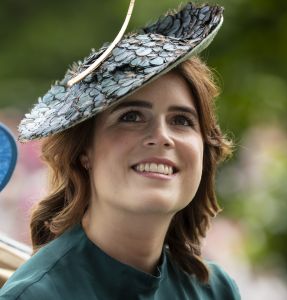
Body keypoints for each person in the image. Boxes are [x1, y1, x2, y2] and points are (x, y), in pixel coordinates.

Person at [0, 2, 240, 299]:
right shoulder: (36, 295)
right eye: (131, 117)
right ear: (84, 150)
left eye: (181, 120)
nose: (162, 137)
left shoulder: (215, 291)